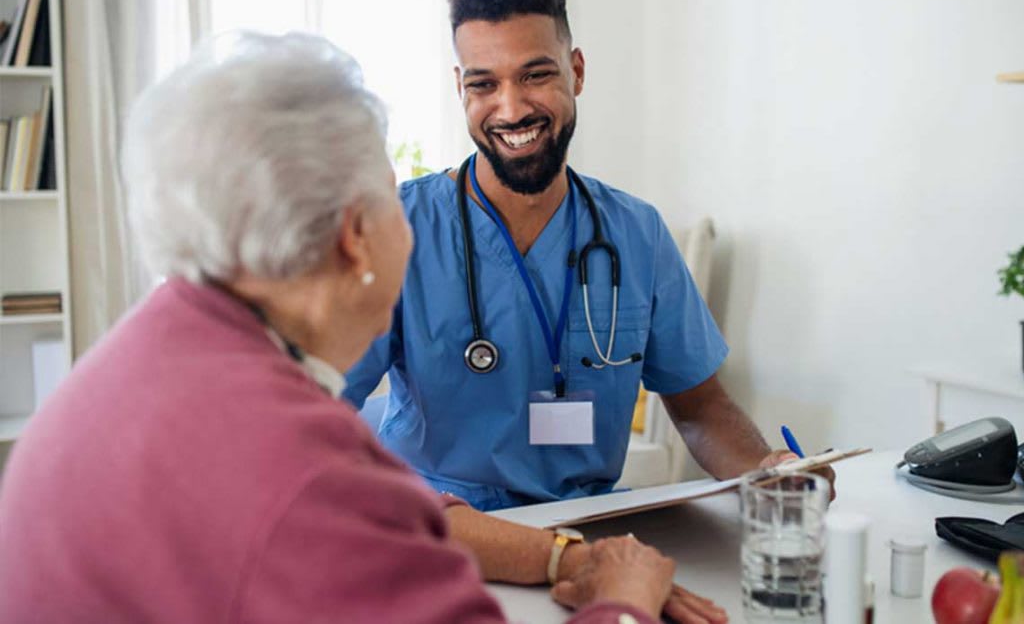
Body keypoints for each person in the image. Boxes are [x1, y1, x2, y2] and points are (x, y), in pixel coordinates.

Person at [0, 32, 684, 624]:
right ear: (357, 234)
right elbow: (327, 503)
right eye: (394, 197)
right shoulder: (307, 472)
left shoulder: (146, 350)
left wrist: (561, 551)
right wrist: (622, 600)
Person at [345, 0, 834, 509]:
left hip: (587, 524)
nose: (511, 108)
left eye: (536, 75)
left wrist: (765, 469)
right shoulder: (397, 228)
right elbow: (322, 405)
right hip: (440, 531)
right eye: (484, 84)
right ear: (461, 88)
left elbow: (699, 409)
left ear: (576, 71)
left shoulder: (636, 234)